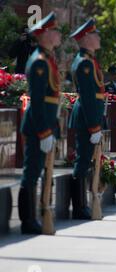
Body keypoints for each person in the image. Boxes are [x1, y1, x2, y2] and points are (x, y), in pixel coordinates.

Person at [18, 12, 61, 234]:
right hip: (37, 127)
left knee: (38, 171)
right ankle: (27, 220)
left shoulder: (47, 59)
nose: (58, 34)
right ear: (45, 34)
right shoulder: (39, 63)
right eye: (54, 31)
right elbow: (36, 101)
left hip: (45, 126)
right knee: (31, 172)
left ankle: (35, 216)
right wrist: (44, 132)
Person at [69, 18, 105, 219]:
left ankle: (82, 205)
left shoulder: (89, 60)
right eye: (95, 35)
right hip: (86, 118)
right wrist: (93, 126)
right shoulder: (84, 63)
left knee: (85, 160)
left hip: (89, 117)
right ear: (85, 39)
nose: (98, 37)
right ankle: (79, 206)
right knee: (82, 161)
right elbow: (89, 97)